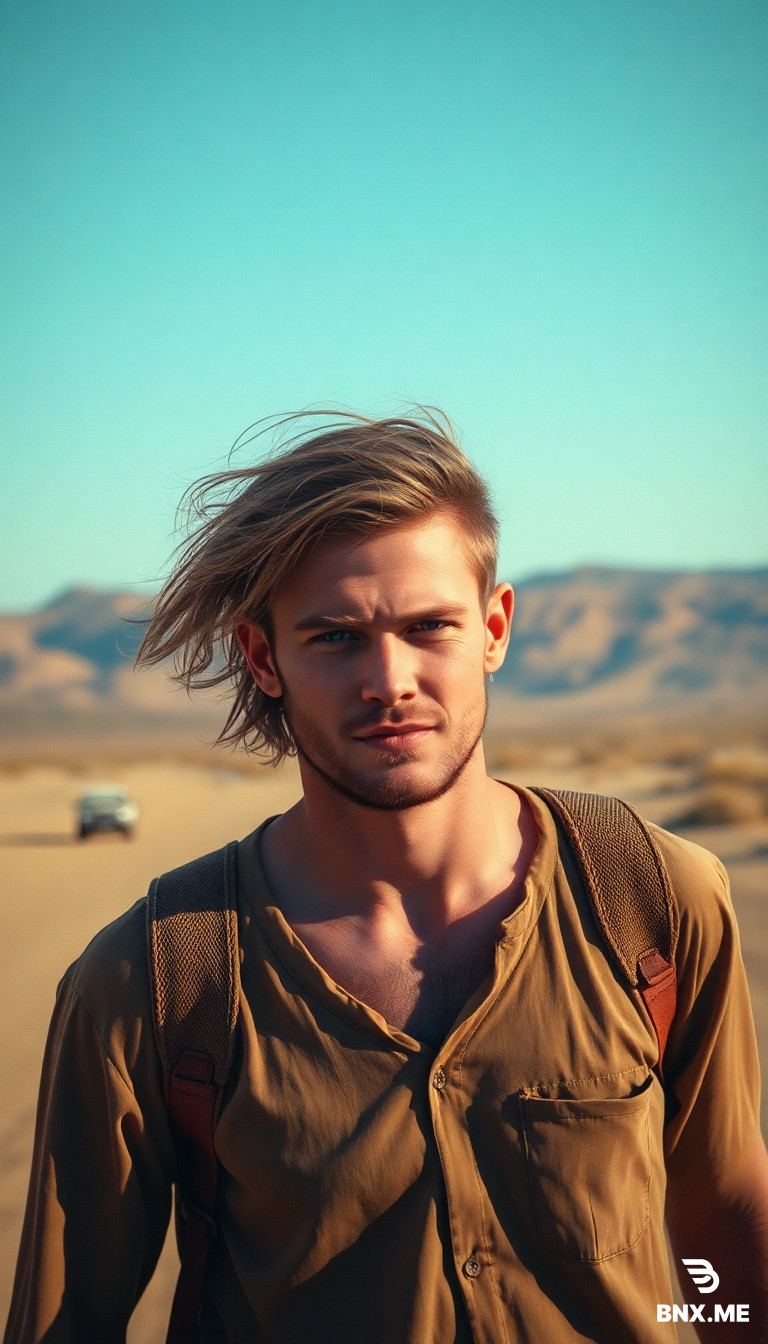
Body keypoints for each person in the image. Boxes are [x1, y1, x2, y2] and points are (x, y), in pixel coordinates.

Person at [5, 409, 768, 1343]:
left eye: (429, 627)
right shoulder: (151, 983)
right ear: (262, 657)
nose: (389, 679)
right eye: (334, 637)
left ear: (494, 629)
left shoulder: (651, 901)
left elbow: (721, 1218)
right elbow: (64, 1320)